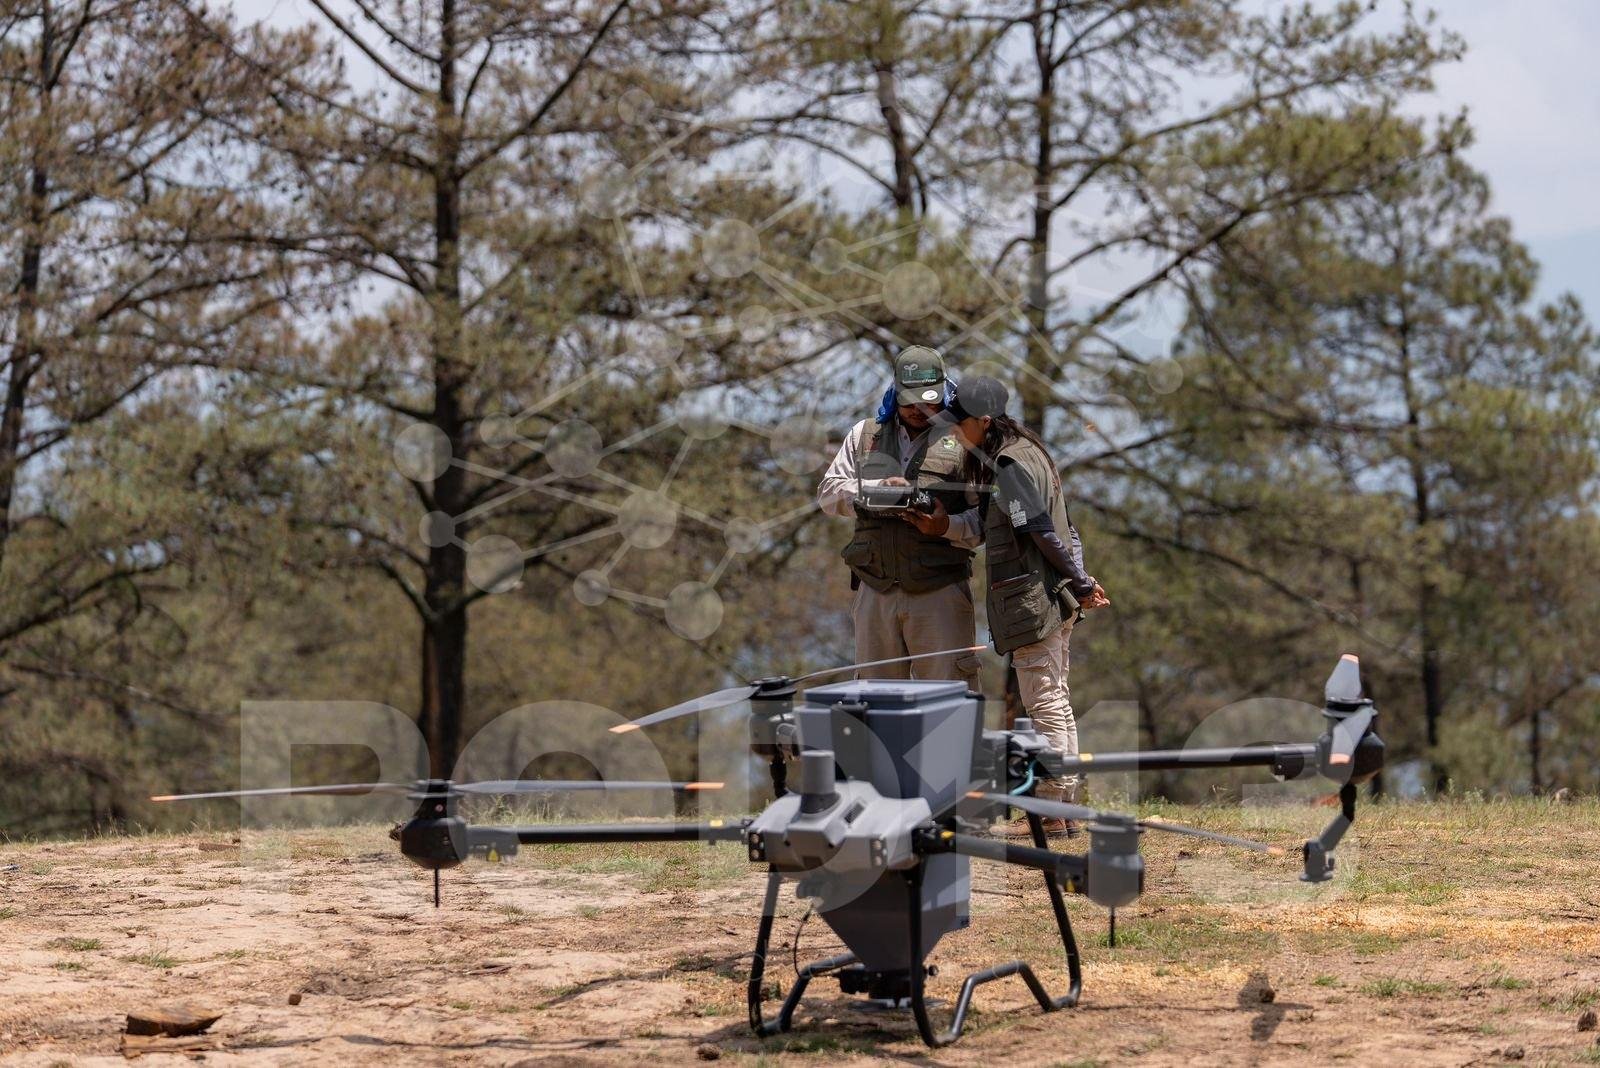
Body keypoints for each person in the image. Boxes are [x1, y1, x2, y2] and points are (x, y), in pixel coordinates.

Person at [947, 376, 1110, 837]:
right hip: (1054, 596)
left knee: (1044, 703)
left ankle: (1052, 810)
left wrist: (1081, 581)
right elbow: (1067, 528)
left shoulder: (1009, 464)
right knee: (1056, 698)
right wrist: (1079, 582)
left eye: (960, 423)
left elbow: (1041, 529)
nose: (955, 432)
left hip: (1033, 602)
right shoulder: (1033, 451)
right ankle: (1064, 806)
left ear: (983, 420)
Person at [816, 347, 983, 687]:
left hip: (940, 590)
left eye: (929, 400)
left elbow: (985, 520)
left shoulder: (966, 439)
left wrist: (944, 526)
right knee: (876, 698)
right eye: (910, 401)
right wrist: (875, 491)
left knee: (950, 695)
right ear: (896, 390)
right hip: (874, 588)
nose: (919, 409)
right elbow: (828, 495)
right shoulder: (864, 435)